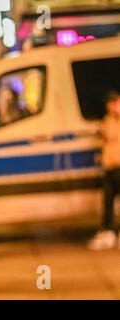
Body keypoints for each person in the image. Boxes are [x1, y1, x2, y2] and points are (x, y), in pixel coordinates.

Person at [88, 91, 120, 250]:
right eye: (109, 103)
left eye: (114, 102)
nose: (111, 106)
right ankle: (108, 232)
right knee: (107, 201)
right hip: (109, 166)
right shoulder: (107, 119)